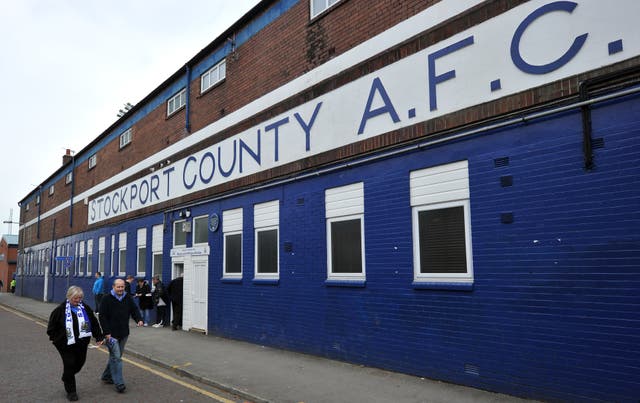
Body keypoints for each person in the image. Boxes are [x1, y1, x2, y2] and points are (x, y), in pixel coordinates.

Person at [47, 286, 104, 401]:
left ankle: (66, 377)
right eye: (75, 298)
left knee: (79, 364)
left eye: (80, 298)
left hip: (82, 343)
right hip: (65, 344)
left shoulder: (85, 308)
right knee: (69, 364)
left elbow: (94, 322)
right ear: (69, 297)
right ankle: (71, 391)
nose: (78, 301)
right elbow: (51, 328)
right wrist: (56, 339)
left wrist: (98, 336)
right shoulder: (59, 310)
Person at [98, 278, 143, 393]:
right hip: (111, 335)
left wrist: (139, 319)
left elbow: (134, 309)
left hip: (124, 333)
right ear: (113, 287)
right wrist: (106, 333)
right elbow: (102, 316)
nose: (120, 289)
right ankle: (119, 383)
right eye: (118, 287)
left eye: (122, 287)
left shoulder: (127, 297)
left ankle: (106, 376)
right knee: (117, 358)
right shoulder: (106, 298)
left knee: (115, 356)